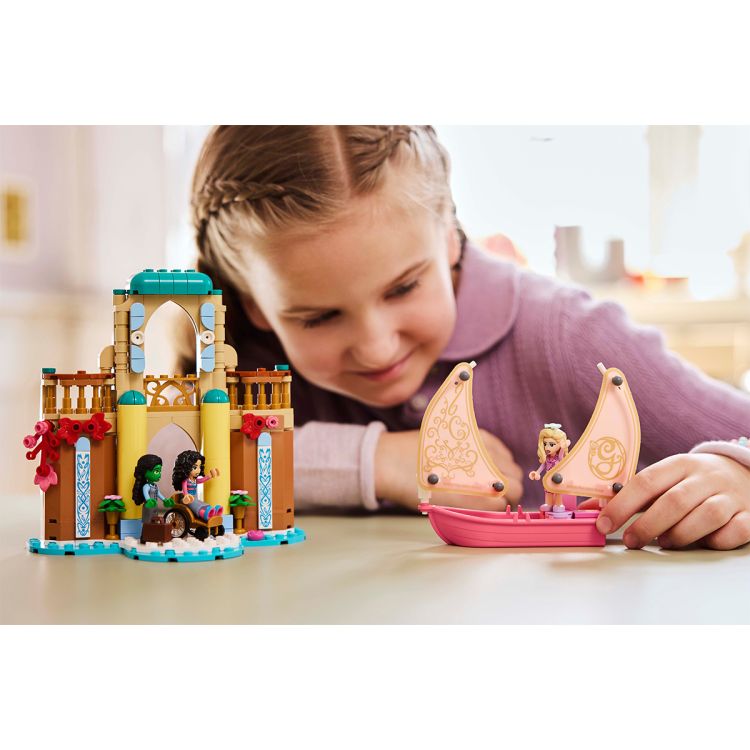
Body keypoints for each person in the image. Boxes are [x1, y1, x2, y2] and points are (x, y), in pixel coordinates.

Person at [179, 125, 750, 550]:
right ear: (254, 305)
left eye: (404, 287)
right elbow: (165, 470)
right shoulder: (241, 367)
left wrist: (738, 474)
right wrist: (376, 462)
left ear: (451, 238)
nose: (377, 347)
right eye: (319, 317)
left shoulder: (567, 335)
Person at [528, 423, 571, 514]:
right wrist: (537, 473)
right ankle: (548, 504)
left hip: (557, 479)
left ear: (558, 444)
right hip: (548, 479)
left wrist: (563, 447)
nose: (547, 447)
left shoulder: (558, 458)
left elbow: (561, 455)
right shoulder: (547, 458)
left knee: (558, 492)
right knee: (548, 491)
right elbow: (543, 466)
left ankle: (559, 504)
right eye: (545, 444)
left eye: (551, 444)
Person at [171, 450, 222, 521]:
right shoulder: (186, 481)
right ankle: (205, 514)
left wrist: (209, 476)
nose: (198, 470)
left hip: (195, 499)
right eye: (195, 468)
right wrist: (186, 495)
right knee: (196, 506)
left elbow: (201, 480)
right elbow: (185, 490)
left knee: (202, 503)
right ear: (186, 468)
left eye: (199, 467)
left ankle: (213, 512)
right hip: (188, 500)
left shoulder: (194, 480)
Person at [132, 454, 175, 524]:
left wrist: (165, 500)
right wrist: (148, 500)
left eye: (159, 471)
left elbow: (158, 493)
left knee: (154, 519)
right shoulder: (146, 486)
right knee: (148, 520)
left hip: (155, 506)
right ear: (145, 472)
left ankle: (153, 529)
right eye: (156, 471)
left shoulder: (154, 486)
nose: (159, 474)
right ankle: (146, 530)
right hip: (149, 507)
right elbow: (146, 494)